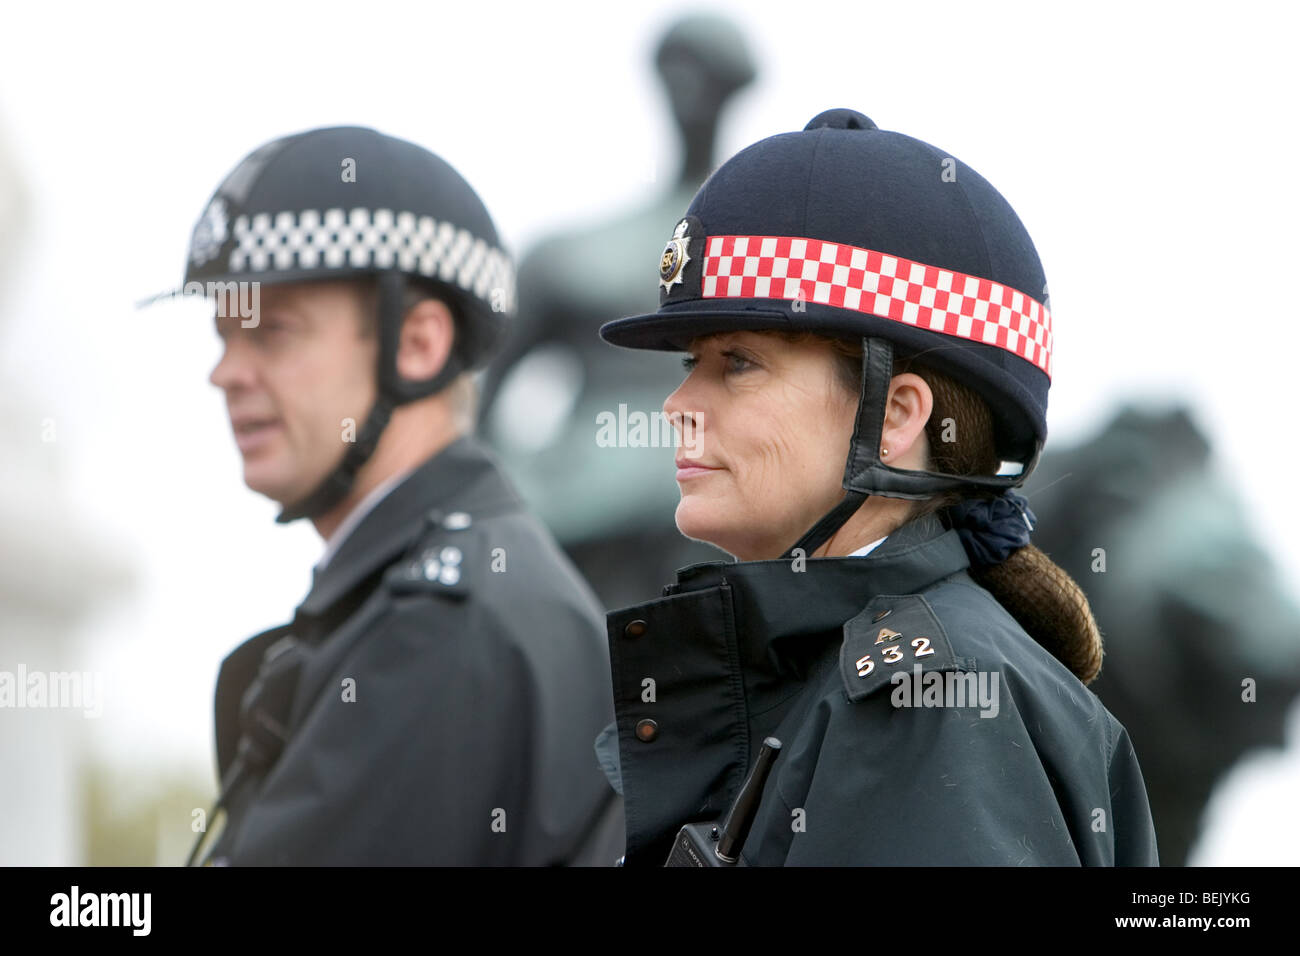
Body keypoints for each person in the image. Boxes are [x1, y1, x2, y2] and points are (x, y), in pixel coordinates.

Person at [595, 108, 1159, 866]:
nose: (677, 406)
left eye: (736, 362)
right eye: (688, 364)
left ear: (896, 415)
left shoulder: (924, 701)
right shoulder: (876, 683)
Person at [183, 125, 623, 865]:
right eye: (224, 335)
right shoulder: (450, 586)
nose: (225, 372)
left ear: (418, 342)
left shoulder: (441, 624)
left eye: (272, 333)